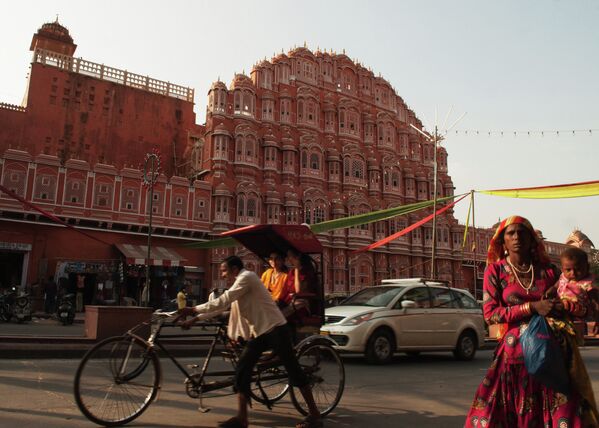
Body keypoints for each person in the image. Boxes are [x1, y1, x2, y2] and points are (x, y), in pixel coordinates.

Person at [465, 215, 599, 427]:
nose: (517, 237)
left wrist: (567, 306)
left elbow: (578, 302)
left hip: (553, 357)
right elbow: (491, 314)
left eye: (522, 233)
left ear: (532, 239)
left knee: (567, 416)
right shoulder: (496, 270)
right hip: (514, 361)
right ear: (503, 241)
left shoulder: (550, 271)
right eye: (511, 233)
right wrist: (532, 307)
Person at [177, 256, 322, 428]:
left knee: (293, 370)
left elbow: (223, 301)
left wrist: (192, 309)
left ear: (235, 269)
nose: (222, 274)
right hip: (260, 332)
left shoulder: (247, 277)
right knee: (242, 370)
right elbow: (224, 306)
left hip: (276, 329)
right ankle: (242, 418)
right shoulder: (240, 284)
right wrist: (195, 319)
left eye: (224, 270)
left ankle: (314, 415)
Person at [552, 247, 599, 340]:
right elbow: (555, 286)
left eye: (578, 269)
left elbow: (596, 304)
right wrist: (550, 291)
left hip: (580, 317)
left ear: (587, 267)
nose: (573, 273)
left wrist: (598, 321)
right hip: (562, 314)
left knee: (576, 340)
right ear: (562, 269)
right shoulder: (563, 277)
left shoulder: (588, 284)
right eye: (568, 270)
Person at [279, 248, 318, 320]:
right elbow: (285, 289)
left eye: (289, 256)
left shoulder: (307, 271)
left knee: (280, 315)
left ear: (298, 257)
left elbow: (298, 291)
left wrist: (296, 269)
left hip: (302, 301)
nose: (288, 259)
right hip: (289, 300)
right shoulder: (291, 272)